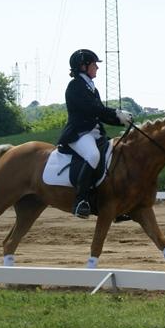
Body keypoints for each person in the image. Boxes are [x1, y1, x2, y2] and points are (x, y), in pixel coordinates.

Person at [58, 48, 133, 218]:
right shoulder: (75, 86)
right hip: (78, 134)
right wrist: (115, 113)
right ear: (83, 66)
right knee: (93, 156)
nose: (97, 68)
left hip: (95, 134)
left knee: (113, 155)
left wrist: (121, 120)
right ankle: (81, 201)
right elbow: (92, 109)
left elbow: (99, 113)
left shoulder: (92, 88)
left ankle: (111, 201)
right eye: (94, 64)